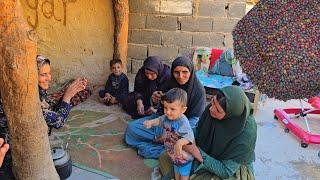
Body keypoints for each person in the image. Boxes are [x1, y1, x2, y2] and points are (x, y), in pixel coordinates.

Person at [0, 55, 88, 179]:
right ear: (31, 76)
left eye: (49, 73)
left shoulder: (32, 90)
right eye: (43, 75)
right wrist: (68, 96)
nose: (49, 78)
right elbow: (59, 122)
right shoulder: (26, 99)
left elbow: (49, 107)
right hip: (12, 158)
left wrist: (69, 92)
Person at [159, 86, 257, 180]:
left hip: (228, 167)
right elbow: (198, 130)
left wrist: (195, 151)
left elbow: (226, 171)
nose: (211, 109)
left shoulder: (246, 132)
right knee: (165, 157)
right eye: (213, 101)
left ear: (230, 115)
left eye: (218, 110)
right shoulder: (211, 109)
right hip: (205, 151)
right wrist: (180, 137)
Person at [125, 56, 206, 159]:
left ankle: (161, 146)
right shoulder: (169, 83)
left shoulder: (198, 91)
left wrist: (170, 134)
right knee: (132, 128)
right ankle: (161, 144)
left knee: (182, 143)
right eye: (176, 72)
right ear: (172, 72)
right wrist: (155, 101)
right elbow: (161, 108)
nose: (180, 76)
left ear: (191, 71)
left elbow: (194, 120)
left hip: (182, 128)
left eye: (185, 72)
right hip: (163, 120)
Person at [144, 88, 194, 180]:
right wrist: (150, 122)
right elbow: (159, 120)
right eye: (165, 108)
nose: (167, 112)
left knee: (183, 175)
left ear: (183, 110)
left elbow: (189, 137)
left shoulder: (183, 121)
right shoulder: (167, 117)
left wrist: (179, 143)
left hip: (184, 157)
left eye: (172, 109)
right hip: (173, 155)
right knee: (176, 172)